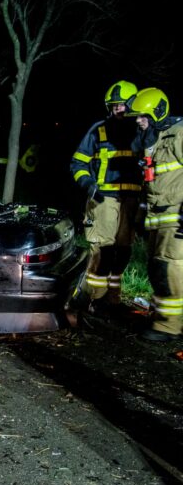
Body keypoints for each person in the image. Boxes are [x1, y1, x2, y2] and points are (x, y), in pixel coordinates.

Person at [68, 80, 142, 319]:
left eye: (121, 105)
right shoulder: (98, 130)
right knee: (102, 251)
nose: (117, 110)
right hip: (103, 200)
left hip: (130, 200)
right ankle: (90, 300)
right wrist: (89, 186)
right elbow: (78, 162)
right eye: (113, 106)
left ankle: (112, 298)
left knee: (123, 250)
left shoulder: (143, 131)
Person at [126, 87, 183, 342]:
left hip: (176, 215)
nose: (138, 120)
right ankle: (164, 319)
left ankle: (169, 326)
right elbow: (149, 182)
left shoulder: (179, 134)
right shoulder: (152, 138)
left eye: (142, 116)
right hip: (156, 215)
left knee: (169, 268)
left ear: (158, 112)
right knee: (158, 268)